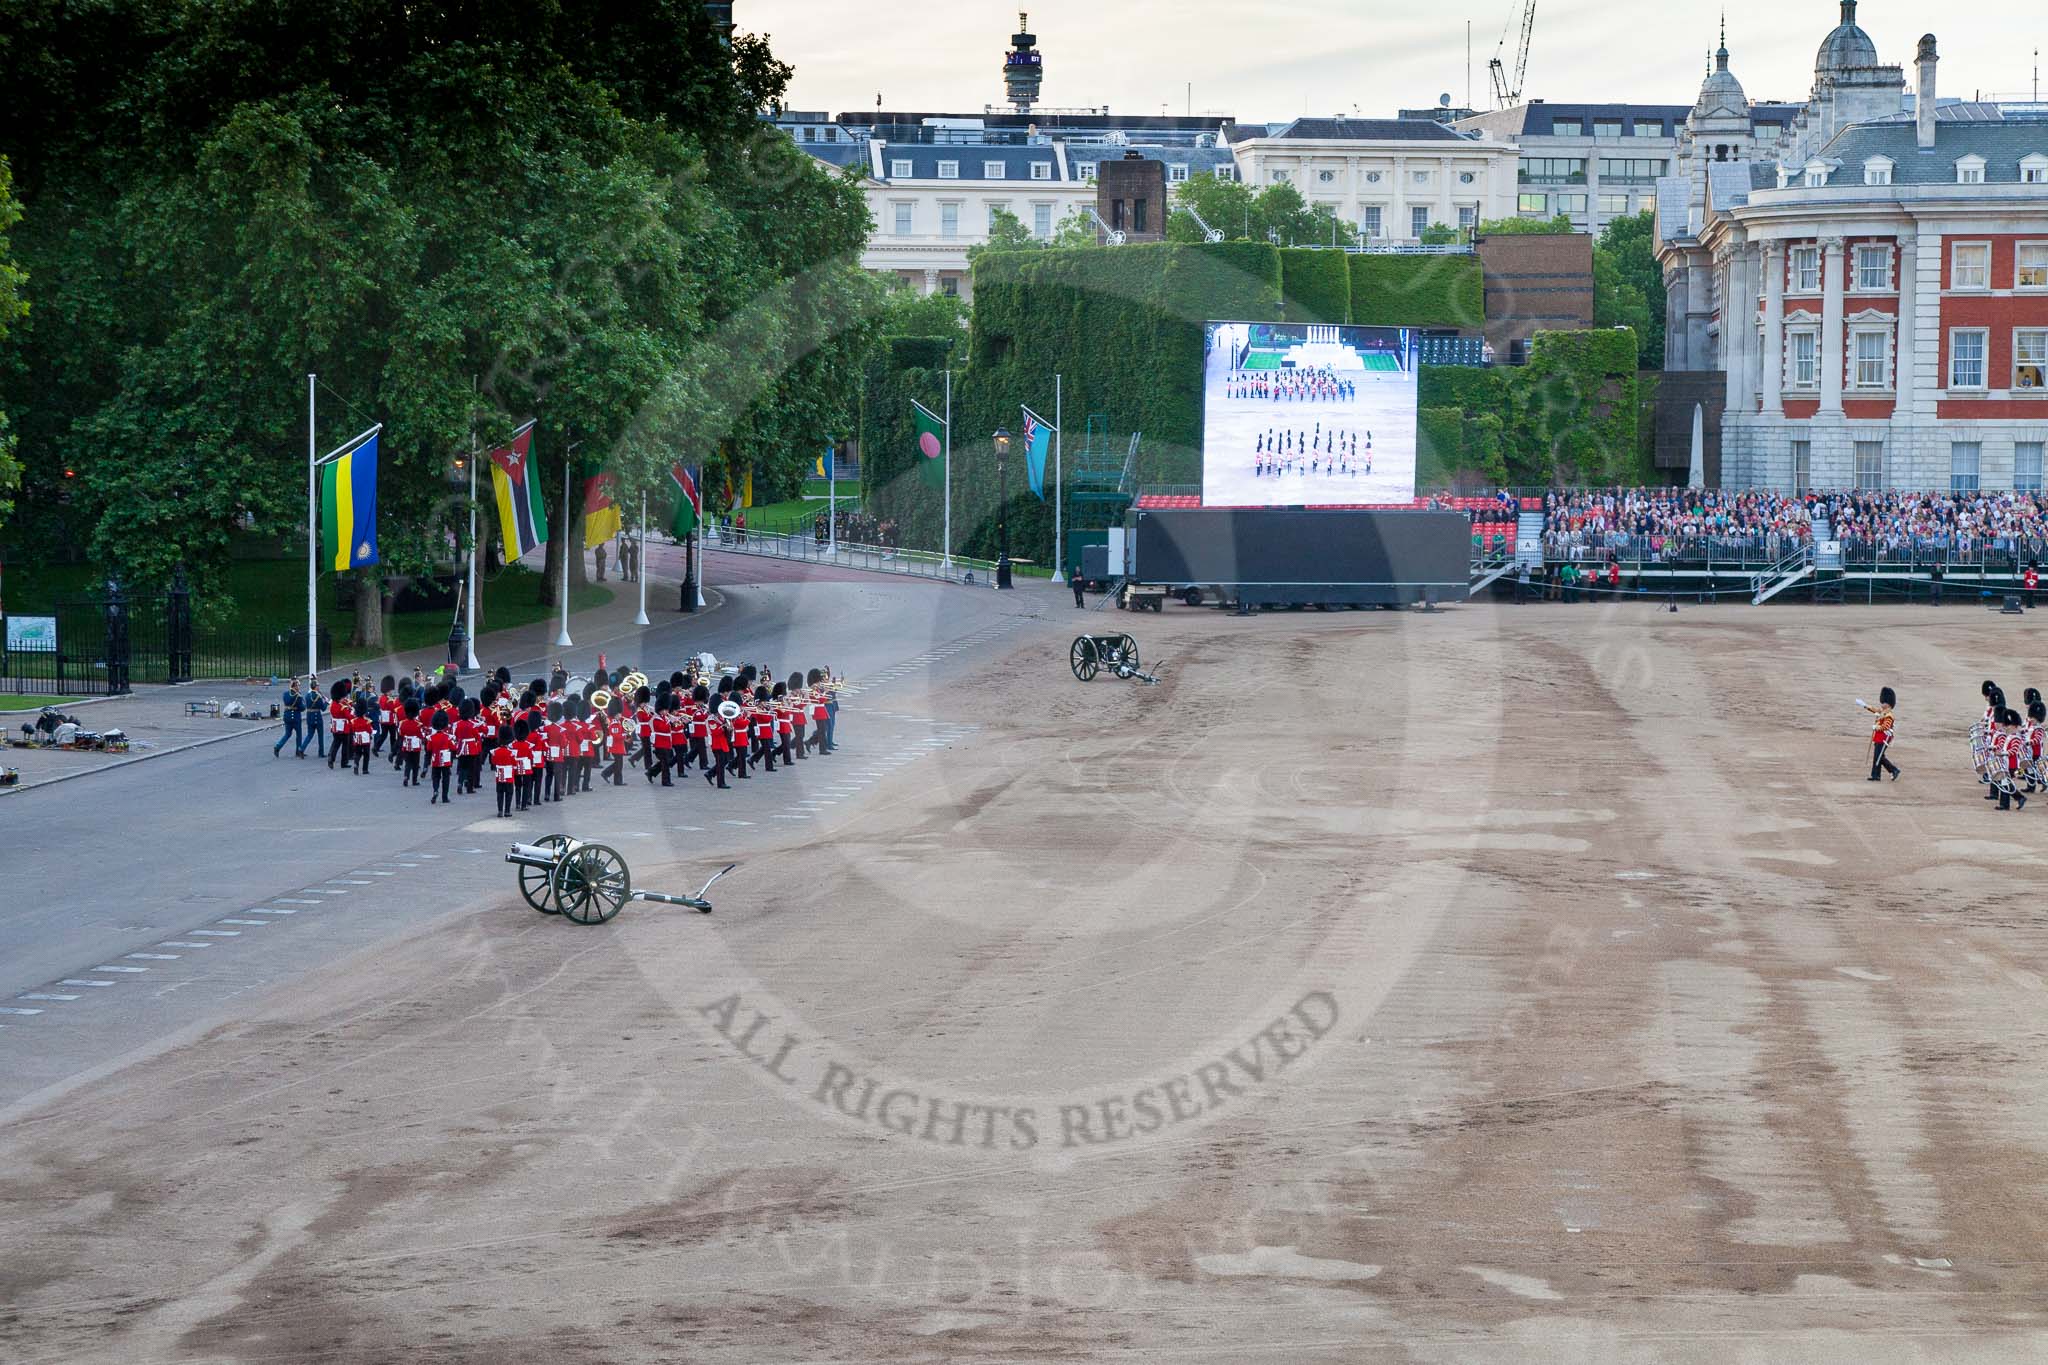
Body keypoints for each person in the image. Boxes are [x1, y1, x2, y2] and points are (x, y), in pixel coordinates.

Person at [1862, 687, 1899, 781]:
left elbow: (1886, 726)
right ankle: (1876, 775)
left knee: (1879, 756)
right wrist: (1865, 706)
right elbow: (1875, 710)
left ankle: (1893, 770)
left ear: (1889, 704)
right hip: (1879, 737)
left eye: (1884, 703)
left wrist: (1876, 727)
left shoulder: (1889, 715)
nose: (1882, 704)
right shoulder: (1883, 712)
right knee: (1878, 756)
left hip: (1884, 737)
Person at [426, 711, 457, 804]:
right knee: (445, 778)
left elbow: (428, 748)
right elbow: (453, 748)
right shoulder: (447, 737)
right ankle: (445, 797)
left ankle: (435, 790)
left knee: (435, 777)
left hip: (435, 760)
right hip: (446, 760)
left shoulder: (431, 737)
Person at [274, 678, 303, 757]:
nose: (299, 687)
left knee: (287, 734)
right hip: (296, 717)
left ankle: (278, 746)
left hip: (287, 715)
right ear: (295, 686)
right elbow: (302, 708)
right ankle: (298, 750)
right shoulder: (298, 696)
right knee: (299, 734)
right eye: (298, 686)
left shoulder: (285, 694)